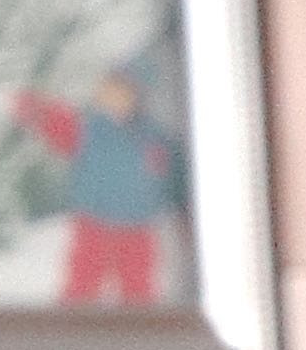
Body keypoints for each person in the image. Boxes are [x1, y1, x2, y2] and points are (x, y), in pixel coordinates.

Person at [12, 65, 181, 306]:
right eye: (108, 91)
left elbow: (174, 174)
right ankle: (72, 334)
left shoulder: (153, 136)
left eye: (121, 92)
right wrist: (35, 109)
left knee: (139, 293)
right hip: (94, 225)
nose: (112, 98)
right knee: (81, 288)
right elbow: (57, 124)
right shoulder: (88, 129)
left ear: (137, 96)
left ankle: (139, 336)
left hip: (138, 229)